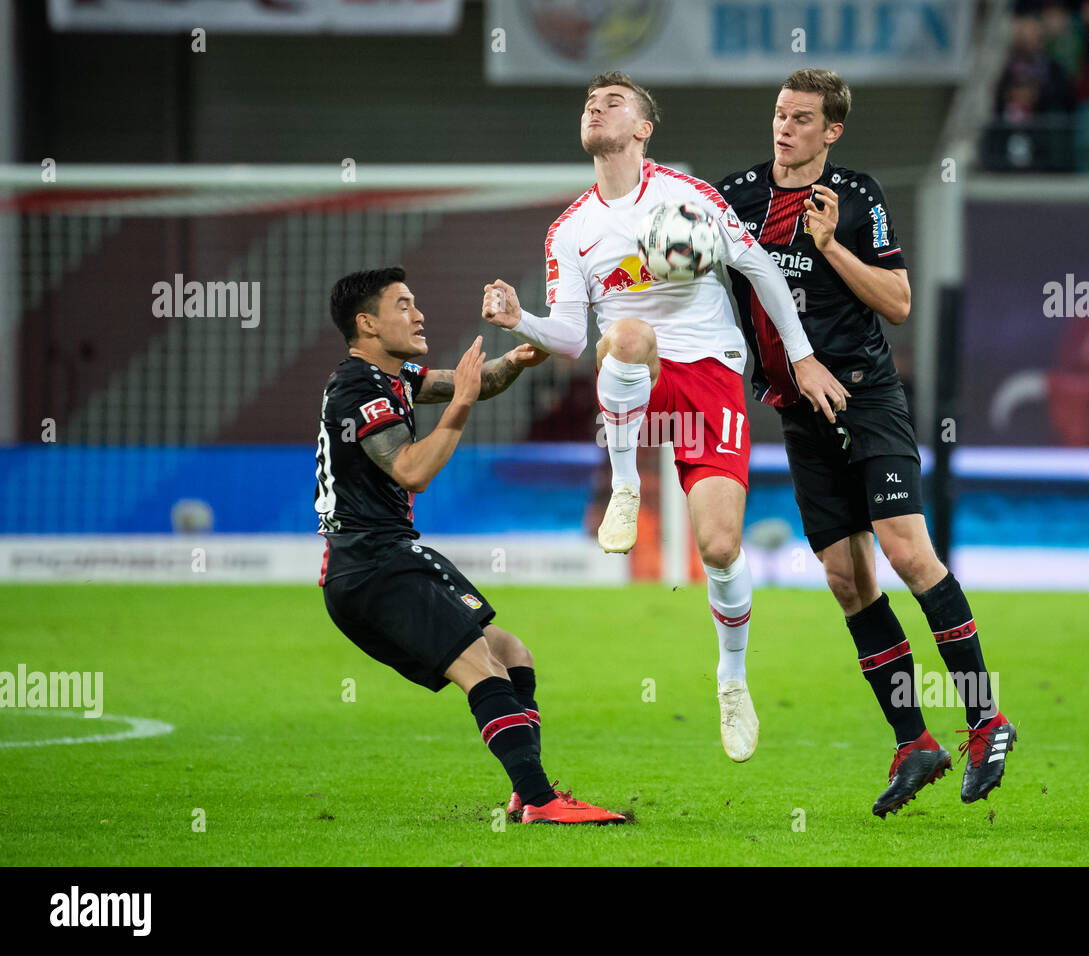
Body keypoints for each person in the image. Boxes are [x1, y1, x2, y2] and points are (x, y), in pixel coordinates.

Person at [481, 72, 848, 763]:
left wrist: (800, 359)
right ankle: (626, 485)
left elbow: (763, 269)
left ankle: (732, 678)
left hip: (708, 372)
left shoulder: (687, 198)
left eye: (614, 101)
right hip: (637, 374)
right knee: (620, 333)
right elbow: (564, 338)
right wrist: (516, 319)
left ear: (643, 129)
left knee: (717, 547)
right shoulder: (571, 230)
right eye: (590, 101)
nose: (596, 107)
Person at [715, 69, 1017, 817]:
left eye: (802, 119)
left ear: (832, 131)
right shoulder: (734, 197)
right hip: (797, 410)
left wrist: (830, 247)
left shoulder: (857, 197)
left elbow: (901, 302)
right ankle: (914, 741)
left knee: (909, 553)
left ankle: (986, 720)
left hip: (863, 394)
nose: (785, 128)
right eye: (780, 113)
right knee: (849, 581)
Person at [315, 266, 624, 825]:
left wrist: (516, 360)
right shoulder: (357, 388)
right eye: (403, 305)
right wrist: (458, 405)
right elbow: (411, 470)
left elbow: (476, 382)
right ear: (366, 323)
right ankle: (540, 800)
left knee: (511, 654)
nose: (419, 314)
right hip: (372, 567)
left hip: (390, 558)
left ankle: (526, 791)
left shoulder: (393, 377)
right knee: (481, 666)